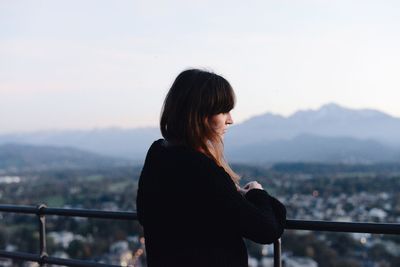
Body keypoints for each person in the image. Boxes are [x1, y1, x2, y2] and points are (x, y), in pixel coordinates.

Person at [136, 69, 286, 267]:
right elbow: (267, 229)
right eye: (223, 110)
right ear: (199, 114)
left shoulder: (157, 153)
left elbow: (146, 213)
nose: (230, 119)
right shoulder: (202, 170)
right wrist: (257, 193)